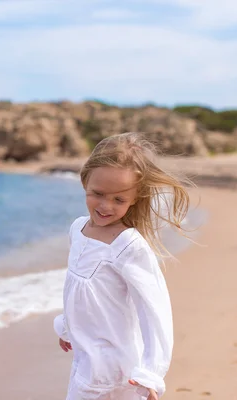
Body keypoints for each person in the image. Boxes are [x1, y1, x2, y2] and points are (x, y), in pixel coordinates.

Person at [53, 132, 191, 400]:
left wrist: (151, 372)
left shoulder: (128, 245)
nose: (105, 206)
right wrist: (68, 327)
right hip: (85, 359)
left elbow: (155, 309)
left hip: (115, 370)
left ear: (134, 199)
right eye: (98, 194)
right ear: (85, 182)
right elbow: (75, 288)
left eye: (119, 200)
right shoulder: (77, 229)